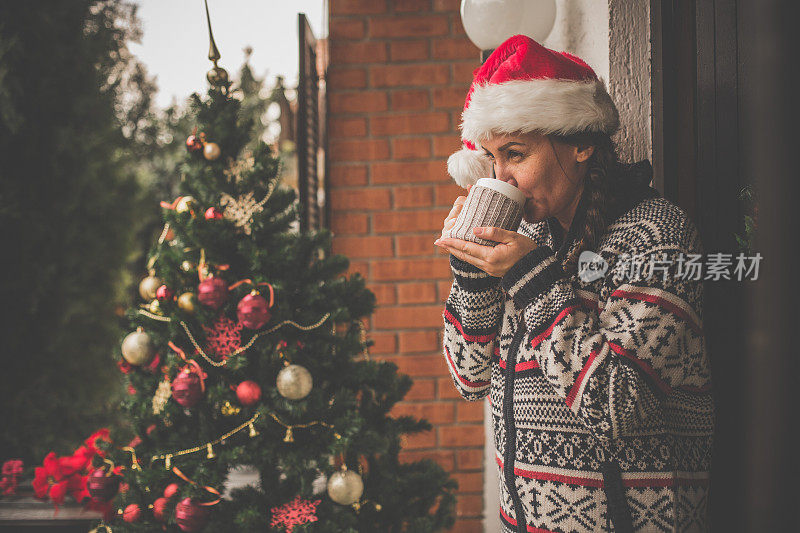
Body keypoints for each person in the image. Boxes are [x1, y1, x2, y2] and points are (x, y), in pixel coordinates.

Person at [434, 35, 712, 533]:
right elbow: (469, 379)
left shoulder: (655, 237)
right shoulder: (531, 239)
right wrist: (473, 275)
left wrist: (531, 280)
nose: (502, 177)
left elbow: (619, 405)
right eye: (492, 159)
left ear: (581, 141)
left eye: (515, 154)